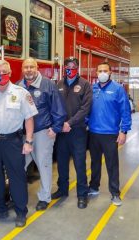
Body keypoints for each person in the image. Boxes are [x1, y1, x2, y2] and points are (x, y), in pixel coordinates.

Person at [0, 59, 38, 227]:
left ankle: (20, 212)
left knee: (17, 177)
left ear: (10, 74)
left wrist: (29, 141)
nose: (1, 75)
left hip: (13, 141)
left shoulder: (21, 93)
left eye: (4, 72)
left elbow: (29, 119)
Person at [17, 58, 66, 211]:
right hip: (24, 135)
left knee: (43, 165)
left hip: (42, 132)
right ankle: (17, 196)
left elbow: (58, 108)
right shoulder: (19, 86)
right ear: (22, 69)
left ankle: (44, 197)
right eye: (26, 67)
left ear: (37, 68)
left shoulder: (47, 84)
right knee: (18, 166)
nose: (29, 70)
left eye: (32, 67)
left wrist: (55, 128)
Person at [88, 62, 132, 206]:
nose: (102, 73)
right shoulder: (92, 88)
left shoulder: (118, 89)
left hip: (110, 134)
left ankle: (115, 193)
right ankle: (94, 187)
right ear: (96, 72)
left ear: (110, 72)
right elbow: (87, 109)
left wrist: (123, 131)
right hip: (93, 133)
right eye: (99, 70)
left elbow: (125, 111)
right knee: (94, 163)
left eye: (105, 70)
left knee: (112, 165)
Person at [51, 57, 92, 209]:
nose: (70, 69)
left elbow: (85, 108)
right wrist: (59, 124)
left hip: (78, 132)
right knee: (61, 163)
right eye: (67, 66)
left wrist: (70, 123)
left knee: (80, 164)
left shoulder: (85, 84)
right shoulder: (59, 84)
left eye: (73, 66)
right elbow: (54, 106)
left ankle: (82, 195)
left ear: (77, 67)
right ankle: (62, 190)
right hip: (62, 132)